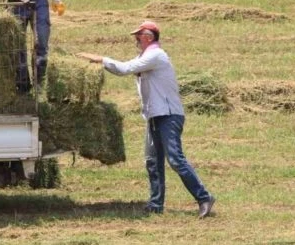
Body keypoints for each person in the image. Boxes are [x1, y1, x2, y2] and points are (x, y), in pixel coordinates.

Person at [77, 20, 214, 219]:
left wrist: (100, 59)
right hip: (154, 116)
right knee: (152, 161)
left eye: (138, 36)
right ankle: (156, 204)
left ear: (149, 37)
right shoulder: (147, 56)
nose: (136, 39)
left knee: (175, 159)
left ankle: (204, 197)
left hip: (168, 116)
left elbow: (124, 69)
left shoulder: (155, 55)